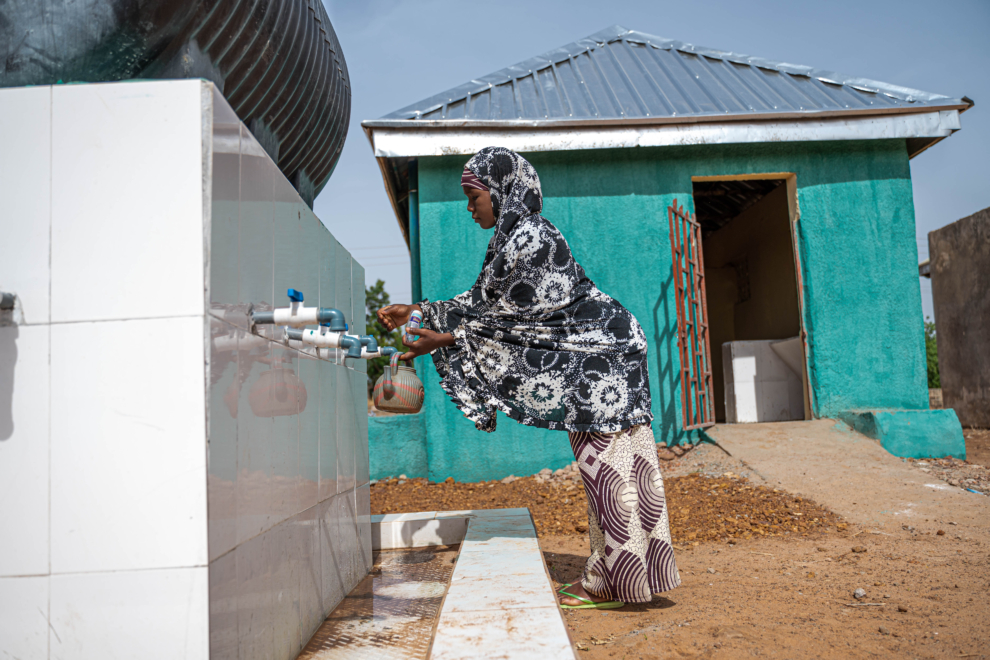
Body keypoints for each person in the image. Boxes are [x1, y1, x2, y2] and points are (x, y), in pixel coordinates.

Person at [377, 147, 680, 609]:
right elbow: (481, 304)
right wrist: (415, 310)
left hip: (602, 358)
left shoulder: (532, 237)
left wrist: (441, 340)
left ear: (501, 191)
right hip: (599, 357)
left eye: (474, 196)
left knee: (609, 472)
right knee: (621, 470)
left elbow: (509, 320)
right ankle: (633, 574)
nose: (469, 206)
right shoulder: (512, 238)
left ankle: (612, 584)